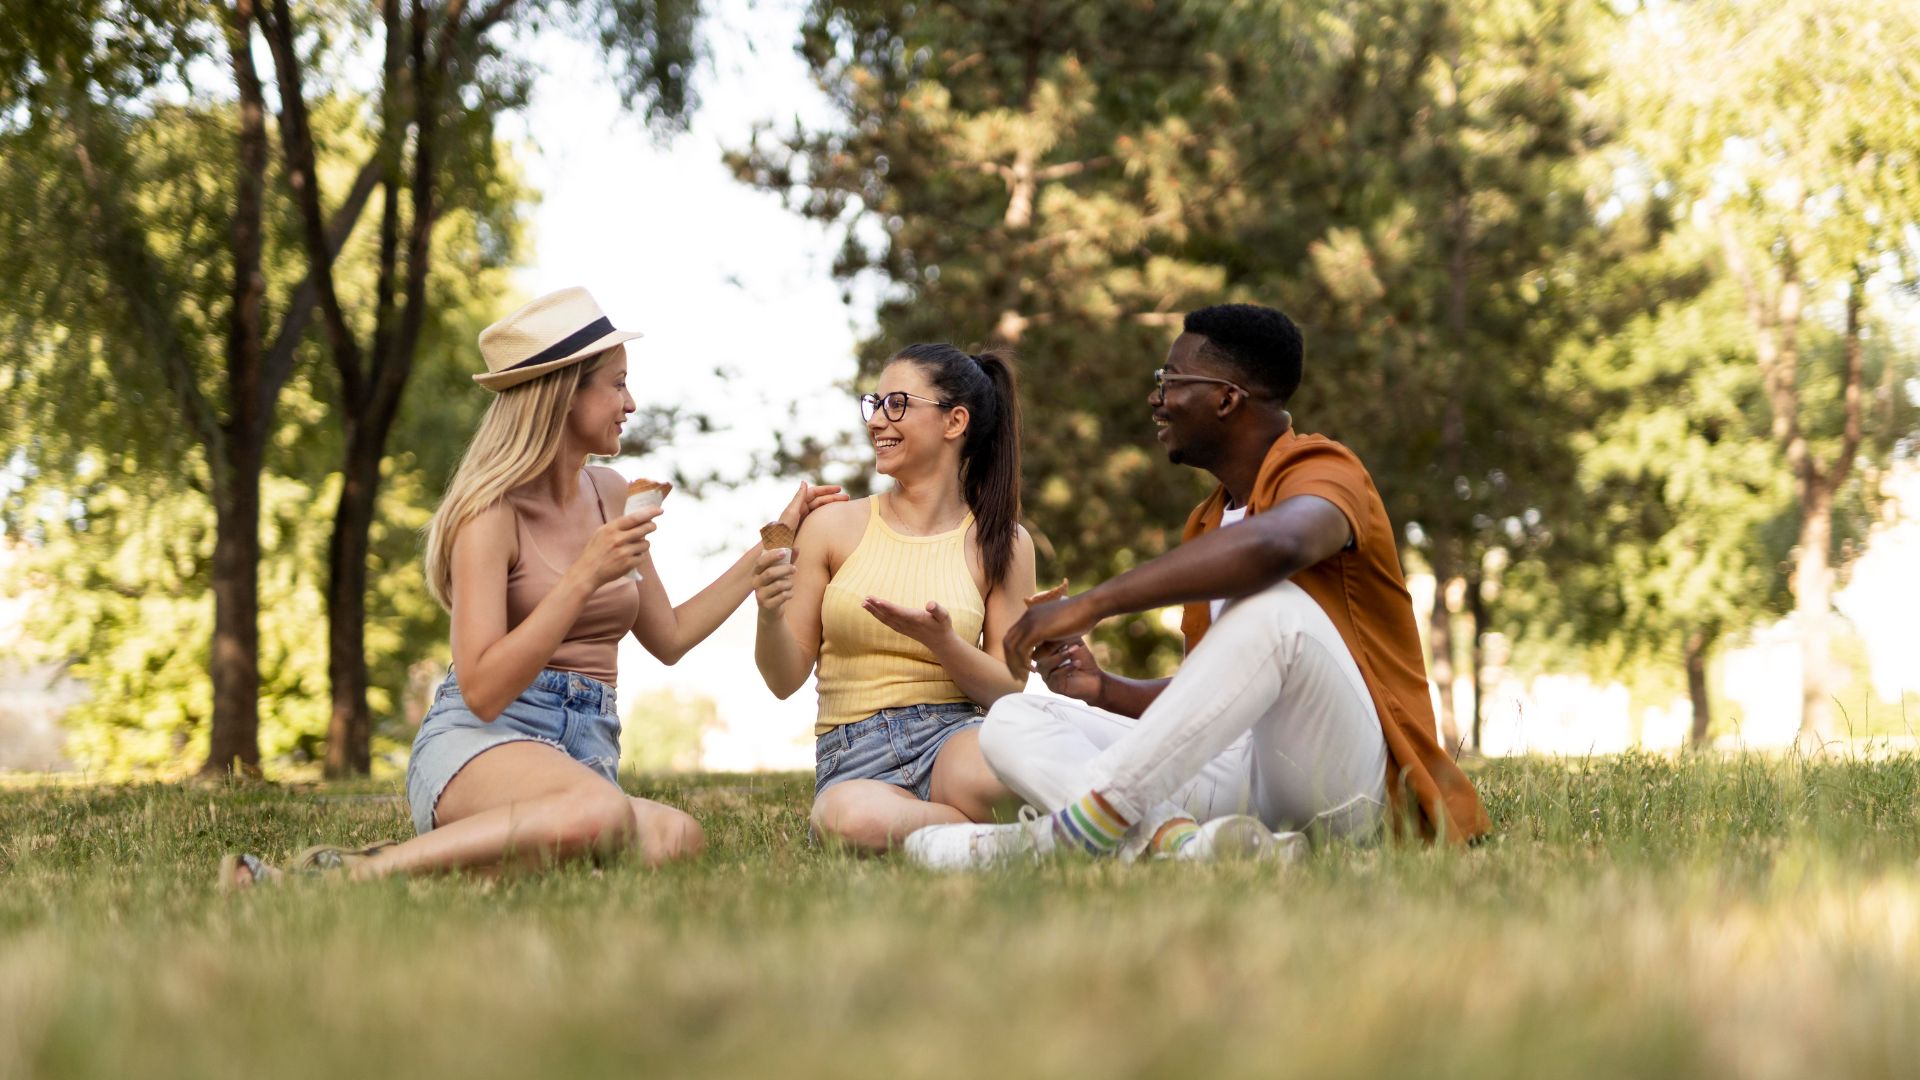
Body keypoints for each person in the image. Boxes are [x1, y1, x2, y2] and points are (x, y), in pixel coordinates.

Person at [221, 287, 843, 886]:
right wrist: (582, 577)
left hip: (584, 751)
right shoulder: (489, 516)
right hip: (481, 743)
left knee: (677, 838)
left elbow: (671, 636)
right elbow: (484, 691)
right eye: (618, 384)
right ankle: (353, 875)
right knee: (603, 817)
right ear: (562, 396)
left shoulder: (610, 496)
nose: (631, 404)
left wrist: (775, 541)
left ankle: (452, 868)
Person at [905, 303, 1490, 869]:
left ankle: (1058, 840)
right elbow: (1216, 699)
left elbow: (1277, 548)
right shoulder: (1208, 522)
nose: (1156, 399)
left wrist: (1096, 603)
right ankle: (1176, 844)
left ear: (1226, 398)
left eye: (1170, 380)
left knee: (1278, 608)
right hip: (1252, 789)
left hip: (1348, 788)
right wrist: (1104, 688)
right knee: (1013, 719)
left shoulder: (1324, 469)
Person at [751, 344, 1038, 852]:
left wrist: (945, 643)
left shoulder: (1006, 543)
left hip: (954, 738)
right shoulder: (831, 526)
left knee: (1019, 779)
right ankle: (1015, 839)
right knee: (845, 821)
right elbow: (782, 679)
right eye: (874, 404)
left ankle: (970, 832)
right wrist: (769, 615)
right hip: (854, 754)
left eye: (898, 403)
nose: (878, 420)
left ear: (955, 422)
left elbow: (1007, 692)